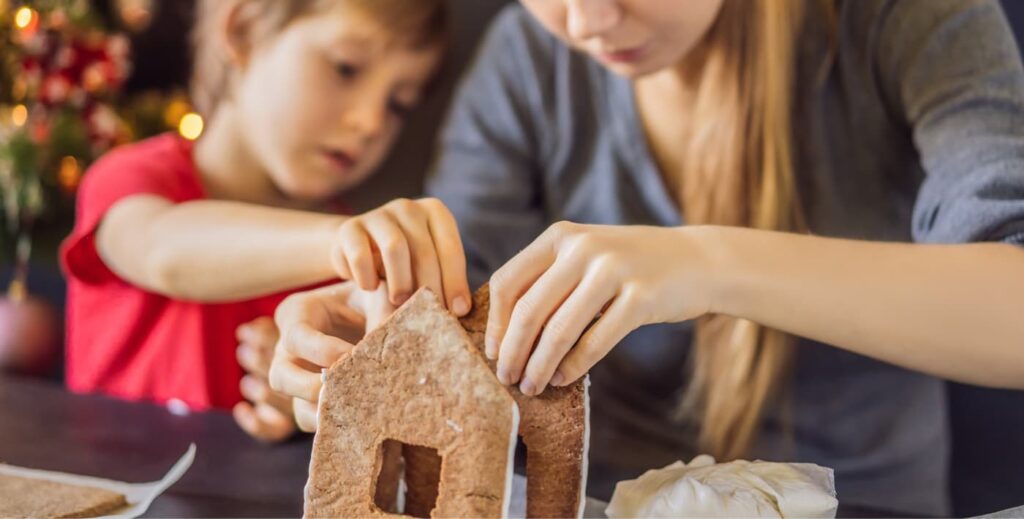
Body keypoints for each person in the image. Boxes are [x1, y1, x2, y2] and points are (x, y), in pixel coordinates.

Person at [270, 0, 1024, 514]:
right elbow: (460, 314)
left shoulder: (901, 21)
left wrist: (707, 265)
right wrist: (381, 332)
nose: (589, 20)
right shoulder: (528, 60)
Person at [60, 0, 469, 443]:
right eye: (346, 69)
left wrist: (303, 392)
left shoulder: (350, 262)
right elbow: (161, 250)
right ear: (244, 31)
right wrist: (339, 243)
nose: (371, 122)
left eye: (398, 105)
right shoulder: (132, 178)